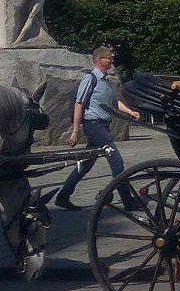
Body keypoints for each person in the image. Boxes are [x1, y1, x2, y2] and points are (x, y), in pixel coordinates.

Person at [53, 46, 143, 211]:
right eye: (109, 57)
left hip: (101, 127)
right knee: (117, 162)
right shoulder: (90, 79)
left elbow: (114, 102)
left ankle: (63, 197)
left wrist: (130, 111)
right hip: (94, 127)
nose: (112, 60)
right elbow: (79, 104)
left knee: (86, 164)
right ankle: (128, 202)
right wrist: (75, 131)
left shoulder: (105, 81)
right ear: (99, 60)